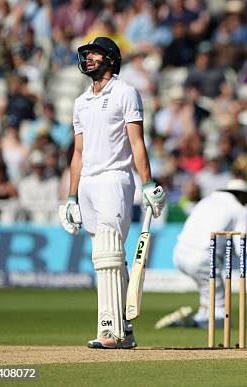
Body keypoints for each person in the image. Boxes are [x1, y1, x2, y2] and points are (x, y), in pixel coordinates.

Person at [58, 37, 166, 350]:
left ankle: (111, 331)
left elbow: (137, 143)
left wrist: (147, 183)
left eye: (94, 53)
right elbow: (78, 152)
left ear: (110, 59)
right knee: (108, 258)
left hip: (114, 179)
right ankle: (125, 330)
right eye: (86, 54)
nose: (88, 58)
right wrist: (71, 197)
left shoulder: (125, 92)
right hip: (88, 183)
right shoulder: (81, 101)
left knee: (108, 253)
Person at [154, 179, 247, 329]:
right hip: (203, 258)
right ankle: (189, 322)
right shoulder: (240, 210)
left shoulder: (206, 201)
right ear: (242, 196)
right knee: (221, 313)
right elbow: (243, 249)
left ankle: (199, 316)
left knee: (208, 296)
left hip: (179, 253)